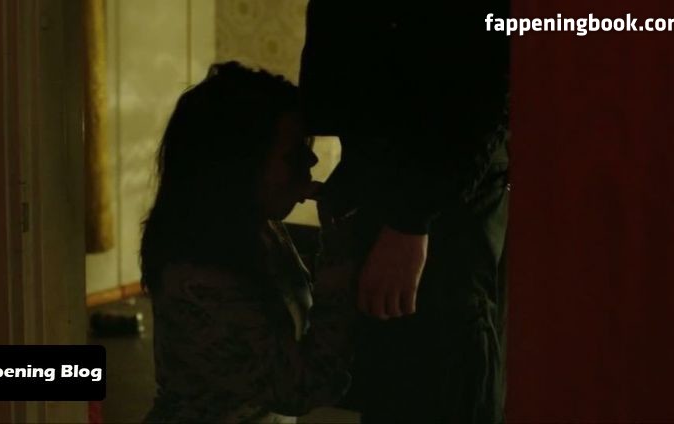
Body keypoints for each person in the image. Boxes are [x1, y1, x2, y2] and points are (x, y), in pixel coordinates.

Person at [300, 1, 510, 422]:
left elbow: (481, 82)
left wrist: (411, 221)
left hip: (437, 201)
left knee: (441, 359)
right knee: (400, 368)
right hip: (402, 188)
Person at [140, 62, 357, 423]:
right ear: (239, 163)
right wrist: (339, 254)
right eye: (295, 154)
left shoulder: (259, 227)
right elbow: (301, 387)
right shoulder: (198, 274)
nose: (313, 160)